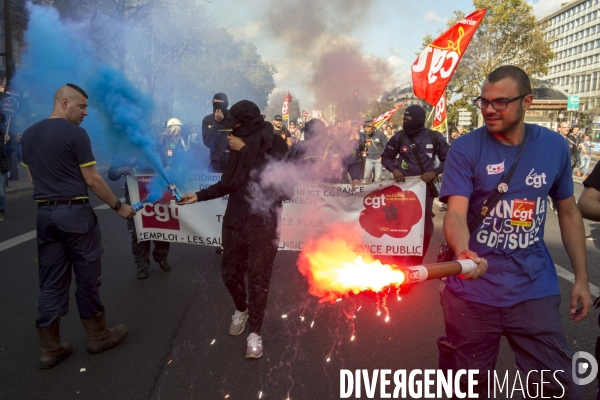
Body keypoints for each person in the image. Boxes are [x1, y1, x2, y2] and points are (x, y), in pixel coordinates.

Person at [439, 65, 591, 398]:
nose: (489, 109)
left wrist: (581, 277)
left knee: (557, 390)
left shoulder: (554, 147)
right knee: (466, 390)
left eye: (500, 102)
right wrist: (463, 253)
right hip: (472, 296)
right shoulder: (465, 149)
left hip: (533, 291)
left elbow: (568, 213)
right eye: (484, 101)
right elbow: (455, 213)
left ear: (527, 102)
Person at [21, 84, 133, 369]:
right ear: (64, 102)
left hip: (45, 216)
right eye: (81, 107)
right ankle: (98, 337)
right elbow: (93, 179)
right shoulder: (76, 134)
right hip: (75, 215)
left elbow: (33, 178)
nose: (85, 113)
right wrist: (119, 207)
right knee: (86, 277)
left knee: (50, 282)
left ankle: (50, 348)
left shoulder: (29, 134)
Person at [178, 100, 289, 359]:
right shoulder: (235, 145)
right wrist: (198, 195)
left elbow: (276, 176)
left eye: (235, 126)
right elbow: (228, 183)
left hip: (264, 221)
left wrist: (247, 149)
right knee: (229, 273)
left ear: (247, 123)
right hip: (235, 219)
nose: (231, 133)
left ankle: (255, 333)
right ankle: (241, 308)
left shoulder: (273, 141)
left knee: (258, 278)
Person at [381, 105, 449, 264]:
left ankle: (416, 262)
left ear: (419, 120)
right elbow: (386, 157)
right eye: (404, 119)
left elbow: (449, 158)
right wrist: (394, 170)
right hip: (402, 191)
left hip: (424, 191)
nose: (406, 123)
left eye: (409, 120)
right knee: (399, 223)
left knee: (423, 226)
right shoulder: (399, 137)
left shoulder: (434, 137)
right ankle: (398, 261)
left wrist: (435, 172)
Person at [108, 153, 172, 279]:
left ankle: (161, 257)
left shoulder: (152, 144)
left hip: (155, 191)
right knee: (138, 230)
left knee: (160, 226)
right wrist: (119, 170)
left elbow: (163, 162)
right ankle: (142, 266)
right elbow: (111, 174)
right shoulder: (121, 149)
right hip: (134, 194)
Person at [290, 118, 361, 187]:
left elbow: (352, 163)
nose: (314, 139)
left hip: (331, 191)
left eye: (317, 135)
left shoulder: (335, 146)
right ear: (306, 135)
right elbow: (289, 168)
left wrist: (355, 178)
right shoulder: (298, 148)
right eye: (310, 135)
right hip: (307, 191)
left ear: (324, 133)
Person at [202, 93, 230, 173]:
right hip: (216, 164)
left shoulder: (233, 118)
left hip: (232, 162)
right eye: (216, 104)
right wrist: (216, 123)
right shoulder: (207, 120)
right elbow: (208, 143)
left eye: (221, 104)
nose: (218, 107)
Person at [360, 118, 388, 183]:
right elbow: (359, 138)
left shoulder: (381, 134)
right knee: (366, 178)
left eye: (369, 131)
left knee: (377, 179)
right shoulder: (365, 133)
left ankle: (377, 192)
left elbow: (386, 147)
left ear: (373, 128)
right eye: (366, 131)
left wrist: (382, 157)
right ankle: (364, 192)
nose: (367, 133)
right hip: (369, 159)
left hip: (378, 159)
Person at [0, 131, 9, 221]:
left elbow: (11, 150)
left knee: (1, 190)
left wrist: (6, 142)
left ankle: (1, 209)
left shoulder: (4, 134)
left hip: (1, 167)